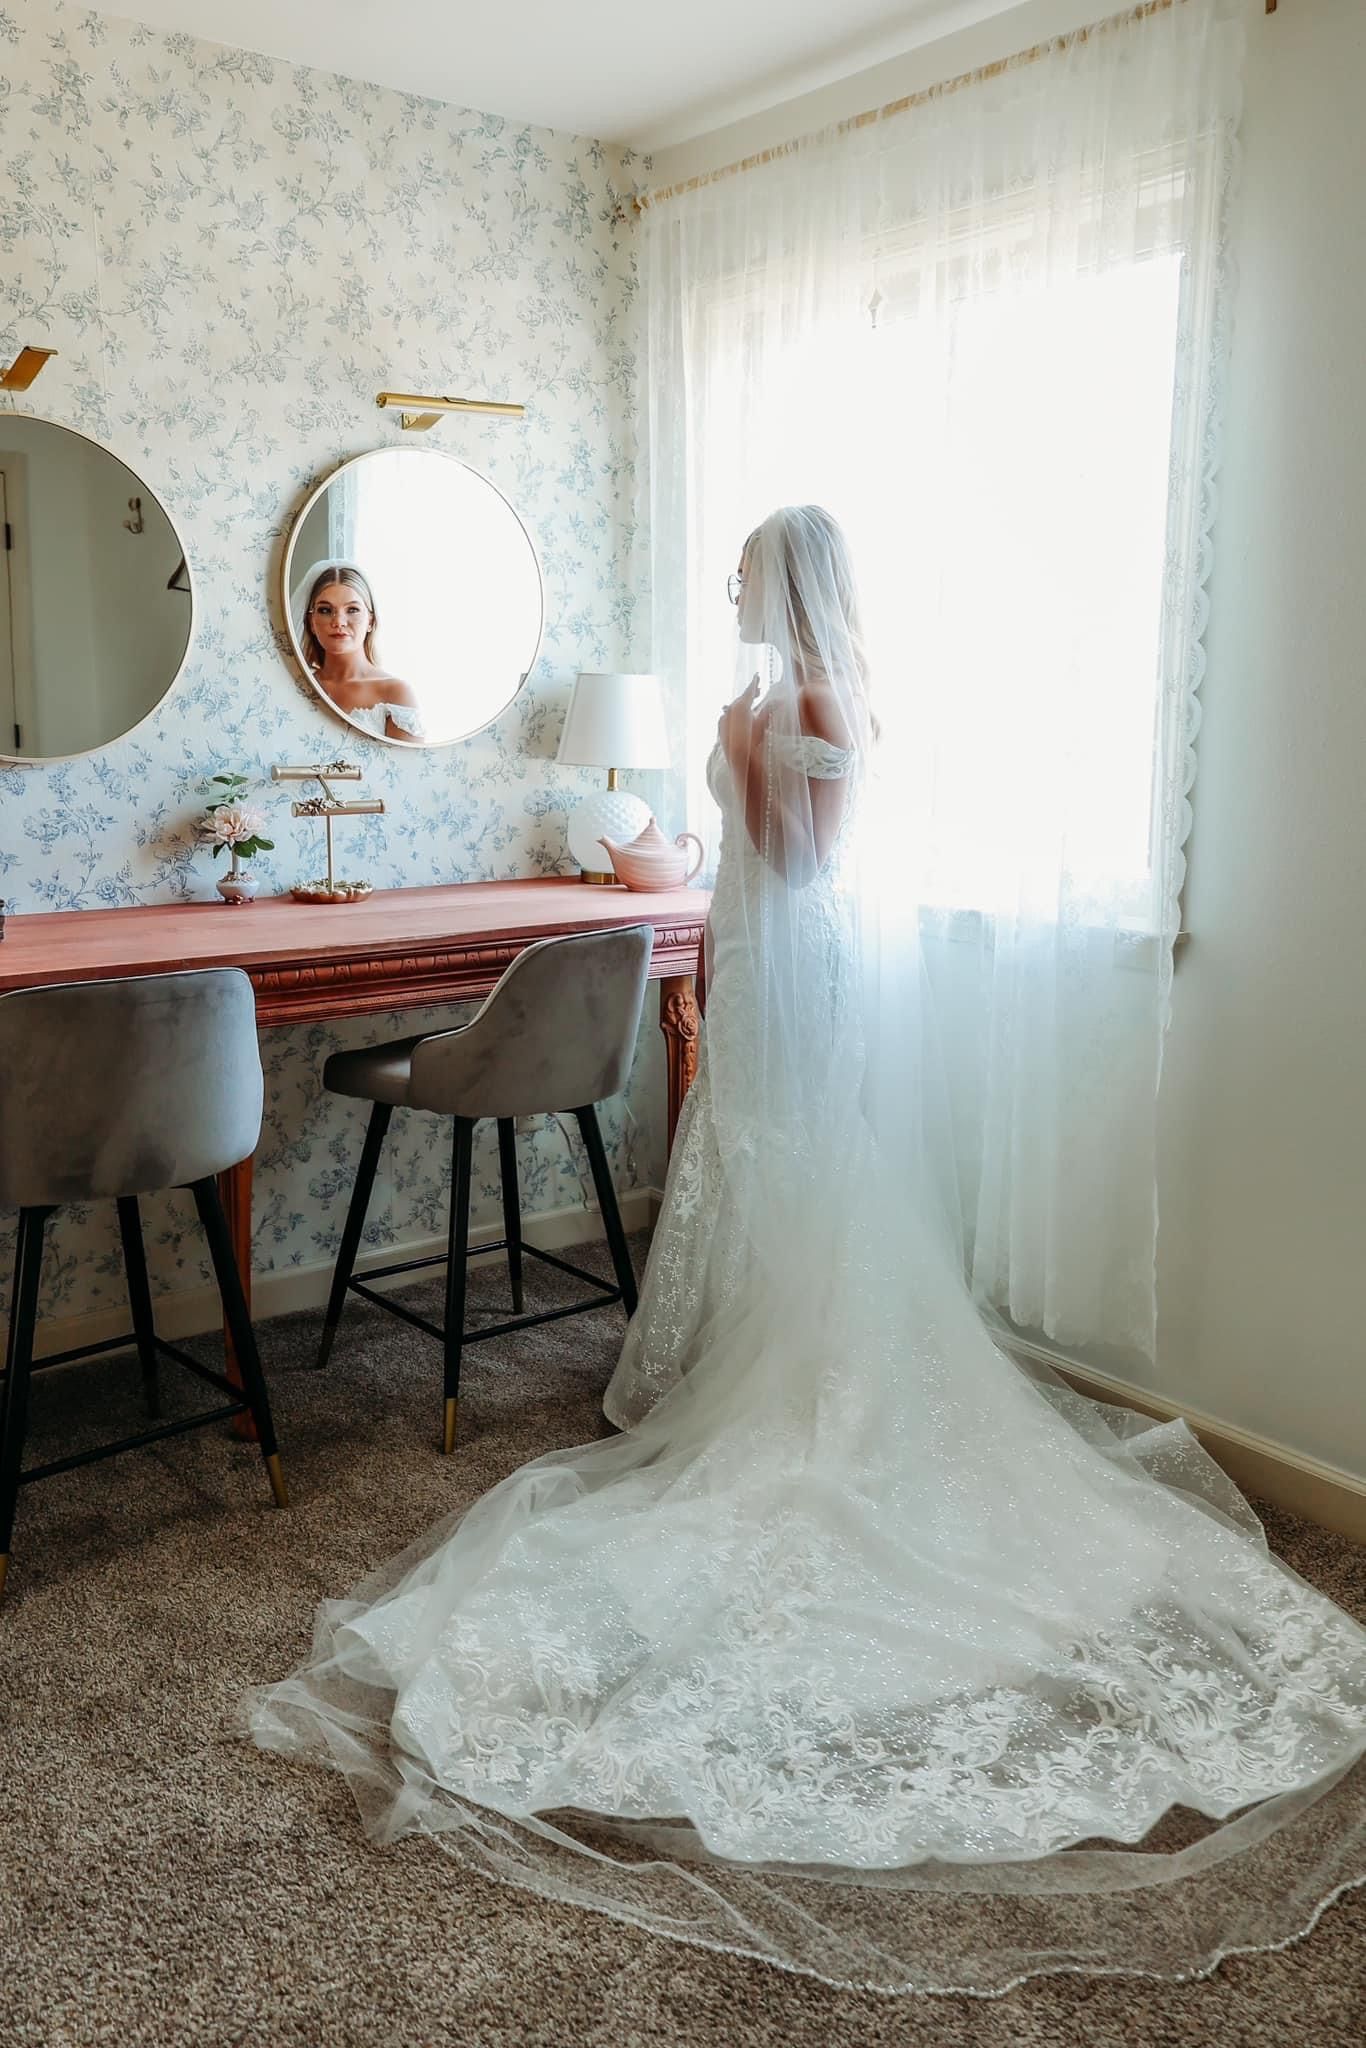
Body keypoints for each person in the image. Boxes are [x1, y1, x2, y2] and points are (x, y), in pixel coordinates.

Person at [251, 508, 1366, 1998]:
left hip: (798, 945)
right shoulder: (779, 696)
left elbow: (797, 849)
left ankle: (815, 1378)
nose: (724, 584)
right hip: (750, 938)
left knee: (790, 1153)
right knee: (747, 1151)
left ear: (789, 585)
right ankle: (740, 1347)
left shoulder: (821, 702)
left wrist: (742, 745)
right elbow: (738, 855)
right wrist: (700, 840)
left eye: (742, 571)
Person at [297, 563, 425, 742]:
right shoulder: (296, 686)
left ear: (370, 621)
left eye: (352, 610)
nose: (339, 621)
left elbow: (408, 768)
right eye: (325, 610)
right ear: (311, 621)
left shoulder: (395, 693)